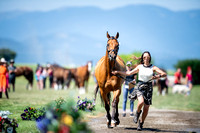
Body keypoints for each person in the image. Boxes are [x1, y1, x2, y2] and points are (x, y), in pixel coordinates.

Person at [112, 51, 166, 131]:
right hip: (140, 86)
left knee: (146, 108)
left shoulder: (153, 67)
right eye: (144, 57)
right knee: (141, 102)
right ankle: (137, 113)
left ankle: (141, 123)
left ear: (149, 58)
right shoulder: (139, 67)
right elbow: (129, 73)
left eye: (147, 57)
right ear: (143, 58)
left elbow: (164, 74)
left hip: (149, 88)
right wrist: (118, 72)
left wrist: (158, 76)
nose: (146, 58)